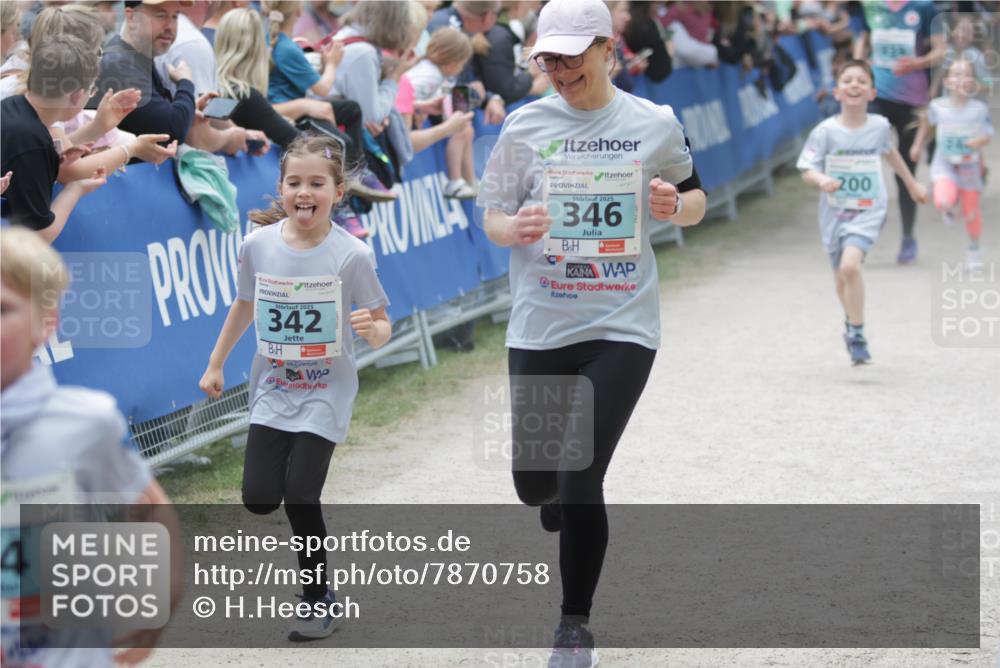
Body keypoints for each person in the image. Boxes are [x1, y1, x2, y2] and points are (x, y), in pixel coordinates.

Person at [477, 0, 706, 664]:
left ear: (609, 49)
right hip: (542, 323)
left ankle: (573, 627)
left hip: (621, 323)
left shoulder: (652, 123)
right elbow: (493, 214)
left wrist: (675, 206)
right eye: (550, 57)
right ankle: (553, 499)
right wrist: (512, 228)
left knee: (581, 472)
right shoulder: (525, 125)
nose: (561, 68)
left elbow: (697, 197)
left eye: (574, 54)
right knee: (534, 482)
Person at [198, 134, 392, 642]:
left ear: (338, 191)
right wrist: (216, 363)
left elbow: (381, 320)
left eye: (316, 184)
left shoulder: (351, 255)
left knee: (301, 494)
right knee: (261, 498)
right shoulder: (257, 245)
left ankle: (318, 597)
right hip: (272, 388)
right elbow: (243, 304)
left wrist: (373, 330)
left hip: (326, 390)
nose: (304, 192)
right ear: (281, 187)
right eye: (294, 182)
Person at [0, 226, 182, 668]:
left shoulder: (85, 422)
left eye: (2, 308)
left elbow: (151, 511)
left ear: (46, 322)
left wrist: (159, 608)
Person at [797, 59, 928, 365]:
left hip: (868, 209)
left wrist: (912, 185)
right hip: (834, 213)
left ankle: (856, 331)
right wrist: (822, 179)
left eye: (861, 81)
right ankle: (852, 323)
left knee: (850, 267)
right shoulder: (825, 131)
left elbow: (892, 155)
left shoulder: (880, 126)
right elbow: (806, 168)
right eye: (847, 81)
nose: (854, 85)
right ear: (837, 92)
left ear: (872, 92)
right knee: (841, 279)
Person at [263, 0, 396, 216]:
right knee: (339, 143)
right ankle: (342, 210)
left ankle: (358, 170)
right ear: (298, 11)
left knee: (352, 109)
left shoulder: (281, 42)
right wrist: (332, 62)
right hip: (293, 111)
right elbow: (323, 88)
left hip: (301, 104)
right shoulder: (286, 47)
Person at [853, 0, 945, 264]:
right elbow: (862, 41)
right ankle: (865, 230)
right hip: (877, 96)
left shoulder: (924, 7)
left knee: (906, 171)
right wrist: (859, 66)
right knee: (865, 164)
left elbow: (941, 50)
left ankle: (907, 236)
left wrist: (918, 62)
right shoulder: (870, 6)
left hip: (912, 99)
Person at [0, 34, 112, 241]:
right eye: (92, 90)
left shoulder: (11, 106)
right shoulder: (32, 141)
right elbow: (39, 235)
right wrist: (75, 190)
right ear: (77, 95)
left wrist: (51, 163)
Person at [911, 59, 993, 267]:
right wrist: (918, 146)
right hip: (945, 165)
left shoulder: (979, 109)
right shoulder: (938, 107)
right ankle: (949, 204)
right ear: (947, 81)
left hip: (970, 168)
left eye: (967, 74)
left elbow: (988, 134)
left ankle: (974, 249)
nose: (962, 78)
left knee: (971, 212)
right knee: (943, 201)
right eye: (956, 74)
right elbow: (926, 125)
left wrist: (979, 141)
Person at [405, 26, 478, 198]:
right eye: (462, 64)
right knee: (461, 128)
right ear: (453, 64)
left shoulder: (435, 72)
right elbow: (405, 97)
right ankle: (454, 182)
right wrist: (418, 109)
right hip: (405, 126)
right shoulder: (429, 76)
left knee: (466, 128)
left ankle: (470, 181)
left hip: (418, 117)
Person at [215, 7, 299, 149]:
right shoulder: (244, 95)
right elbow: (301, 143)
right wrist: (330, 152)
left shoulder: (218, 88)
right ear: (258, 46)